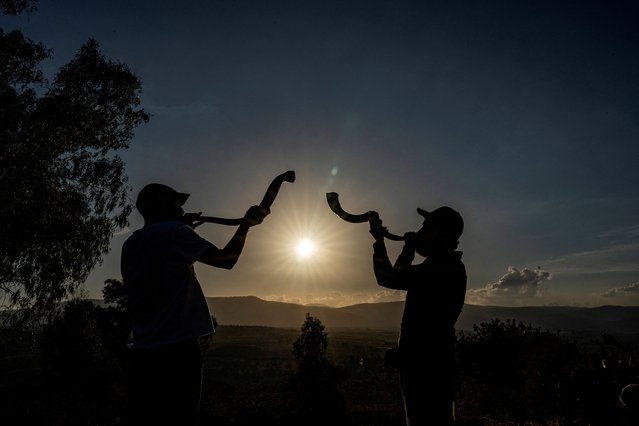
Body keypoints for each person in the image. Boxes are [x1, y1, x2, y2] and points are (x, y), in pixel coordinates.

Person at [121, 183, 270, 425]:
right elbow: (226, 259)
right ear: (166, 204)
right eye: (177, 204)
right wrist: (245, 226)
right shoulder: (175, 233)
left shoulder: (132, 244)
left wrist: (181, 227)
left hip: (142, 354)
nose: (182, 209)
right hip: (177, 352)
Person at [369, 206, 467, 426]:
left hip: (428, 369)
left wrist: (378, 240)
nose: (420, 232)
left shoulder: (443, 268)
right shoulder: (439, 266)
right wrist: (408, 249)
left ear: (443, 234)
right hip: (426, 365)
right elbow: (399, 274)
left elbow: (387, 277)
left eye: (426, 228)